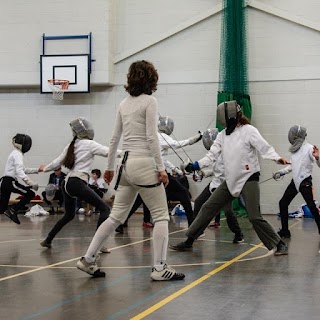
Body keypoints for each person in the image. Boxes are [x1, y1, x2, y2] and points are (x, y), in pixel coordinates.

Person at [76, 60, 185, 280]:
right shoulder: (150, 102)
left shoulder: (123, 103)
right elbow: (151, 137)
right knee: (162, 216)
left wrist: (108, 167)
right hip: (144, 164)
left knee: (116, 216)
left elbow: (114, 138)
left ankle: (88, 259)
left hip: (125, 166)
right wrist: (161, 168)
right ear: (152, 78)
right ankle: (159, 268)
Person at [170, 100, 289, 256]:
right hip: (230, 180)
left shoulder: (249, 130)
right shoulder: (222, 136)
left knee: (254, 216)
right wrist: (196, 166)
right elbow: (211, 156)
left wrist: (277, 158)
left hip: (248, 178)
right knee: (208, 207)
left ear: (231, 115)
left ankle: (279, 243)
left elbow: (264, 147)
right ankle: (189, 240)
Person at [39, 117, 114, 253]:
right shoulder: (89, 144)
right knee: (105, 210)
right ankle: (98, 245)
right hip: (76, 182)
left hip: (66, 183)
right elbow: (109, 152)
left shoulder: (72, 145)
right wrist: (127, 154)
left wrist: (44, 169)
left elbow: (56, 163)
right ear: (86, 131)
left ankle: (48, 240)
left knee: (69, 215)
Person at [192, 128, 244, 244]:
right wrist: (203, 173)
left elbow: (224, 170)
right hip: (214, 184)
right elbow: (215, 169)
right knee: (199, 202)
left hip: (224, 187)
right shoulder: (215, 152)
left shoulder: (226, 153)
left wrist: (197, 166)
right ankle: (196, 232)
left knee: (228, 212)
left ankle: (238, 234)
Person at [274, 125, 320, 238]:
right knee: (283, 203)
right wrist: (281, 172)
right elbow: (291, 166)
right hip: (295, 182)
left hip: (304, 182)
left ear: (297, 136)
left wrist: (318, 157)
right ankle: (285, 231)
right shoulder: (295, 150)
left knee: (312, 208)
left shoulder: (310, 148)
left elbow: (318, 163)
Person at [158, 116, 202, 227]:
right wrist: (193, 139)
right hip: (159, 173)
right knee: (183, 193)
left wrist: (176, 170)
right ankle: (193, 224)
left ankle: (121, 223)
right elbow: (176, 144)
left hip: (153, 172)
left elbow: (163, 159)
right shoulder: (162, 137)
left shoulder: (155, 136)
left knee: (140, 199)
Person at [0, 134, 40, 225]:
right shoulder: (17, 154)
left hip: (4, 182)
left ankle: (11, 209)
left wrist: (37, 170)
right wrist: (30, 183)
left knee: (2, 208)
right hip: (10, 182)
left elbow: (22, 169)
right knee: (30, 193)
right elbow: (19, 171)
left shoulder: (15, 153)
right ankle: (13, 209)